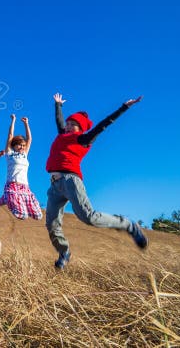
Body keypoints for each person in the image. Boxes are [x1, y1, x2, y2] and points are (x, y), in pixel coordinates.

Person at [45, 92, 147, 270]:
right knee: (51, 224)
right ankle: (64, 252)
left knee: (88, 217)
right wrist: (58, 105)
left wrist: (123, 108)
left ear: (81, 129)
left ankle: (128, 225)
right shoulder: (62, 136)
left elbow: (102, 125)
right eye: (68, 124)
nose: (68, 126)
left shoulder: (83, 139)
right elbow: (59, 122)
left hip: (71, 181)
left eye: (73, 125)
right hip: (55, 184)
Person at [0, 114, 43, 221]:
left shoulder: (25, 154)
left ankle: (5, 198)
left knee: (38, 216)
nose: (22, 147)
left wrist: (26, 124)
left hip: (25, 187)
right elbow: (10, 135)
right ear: (14, 145)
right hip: (12, 186)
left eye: (23, 145)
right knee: (22, 216)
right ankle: (7, 198)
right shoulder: (9, 154)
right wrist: (13, 120)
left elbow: (29, 139)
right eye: (19, 145)